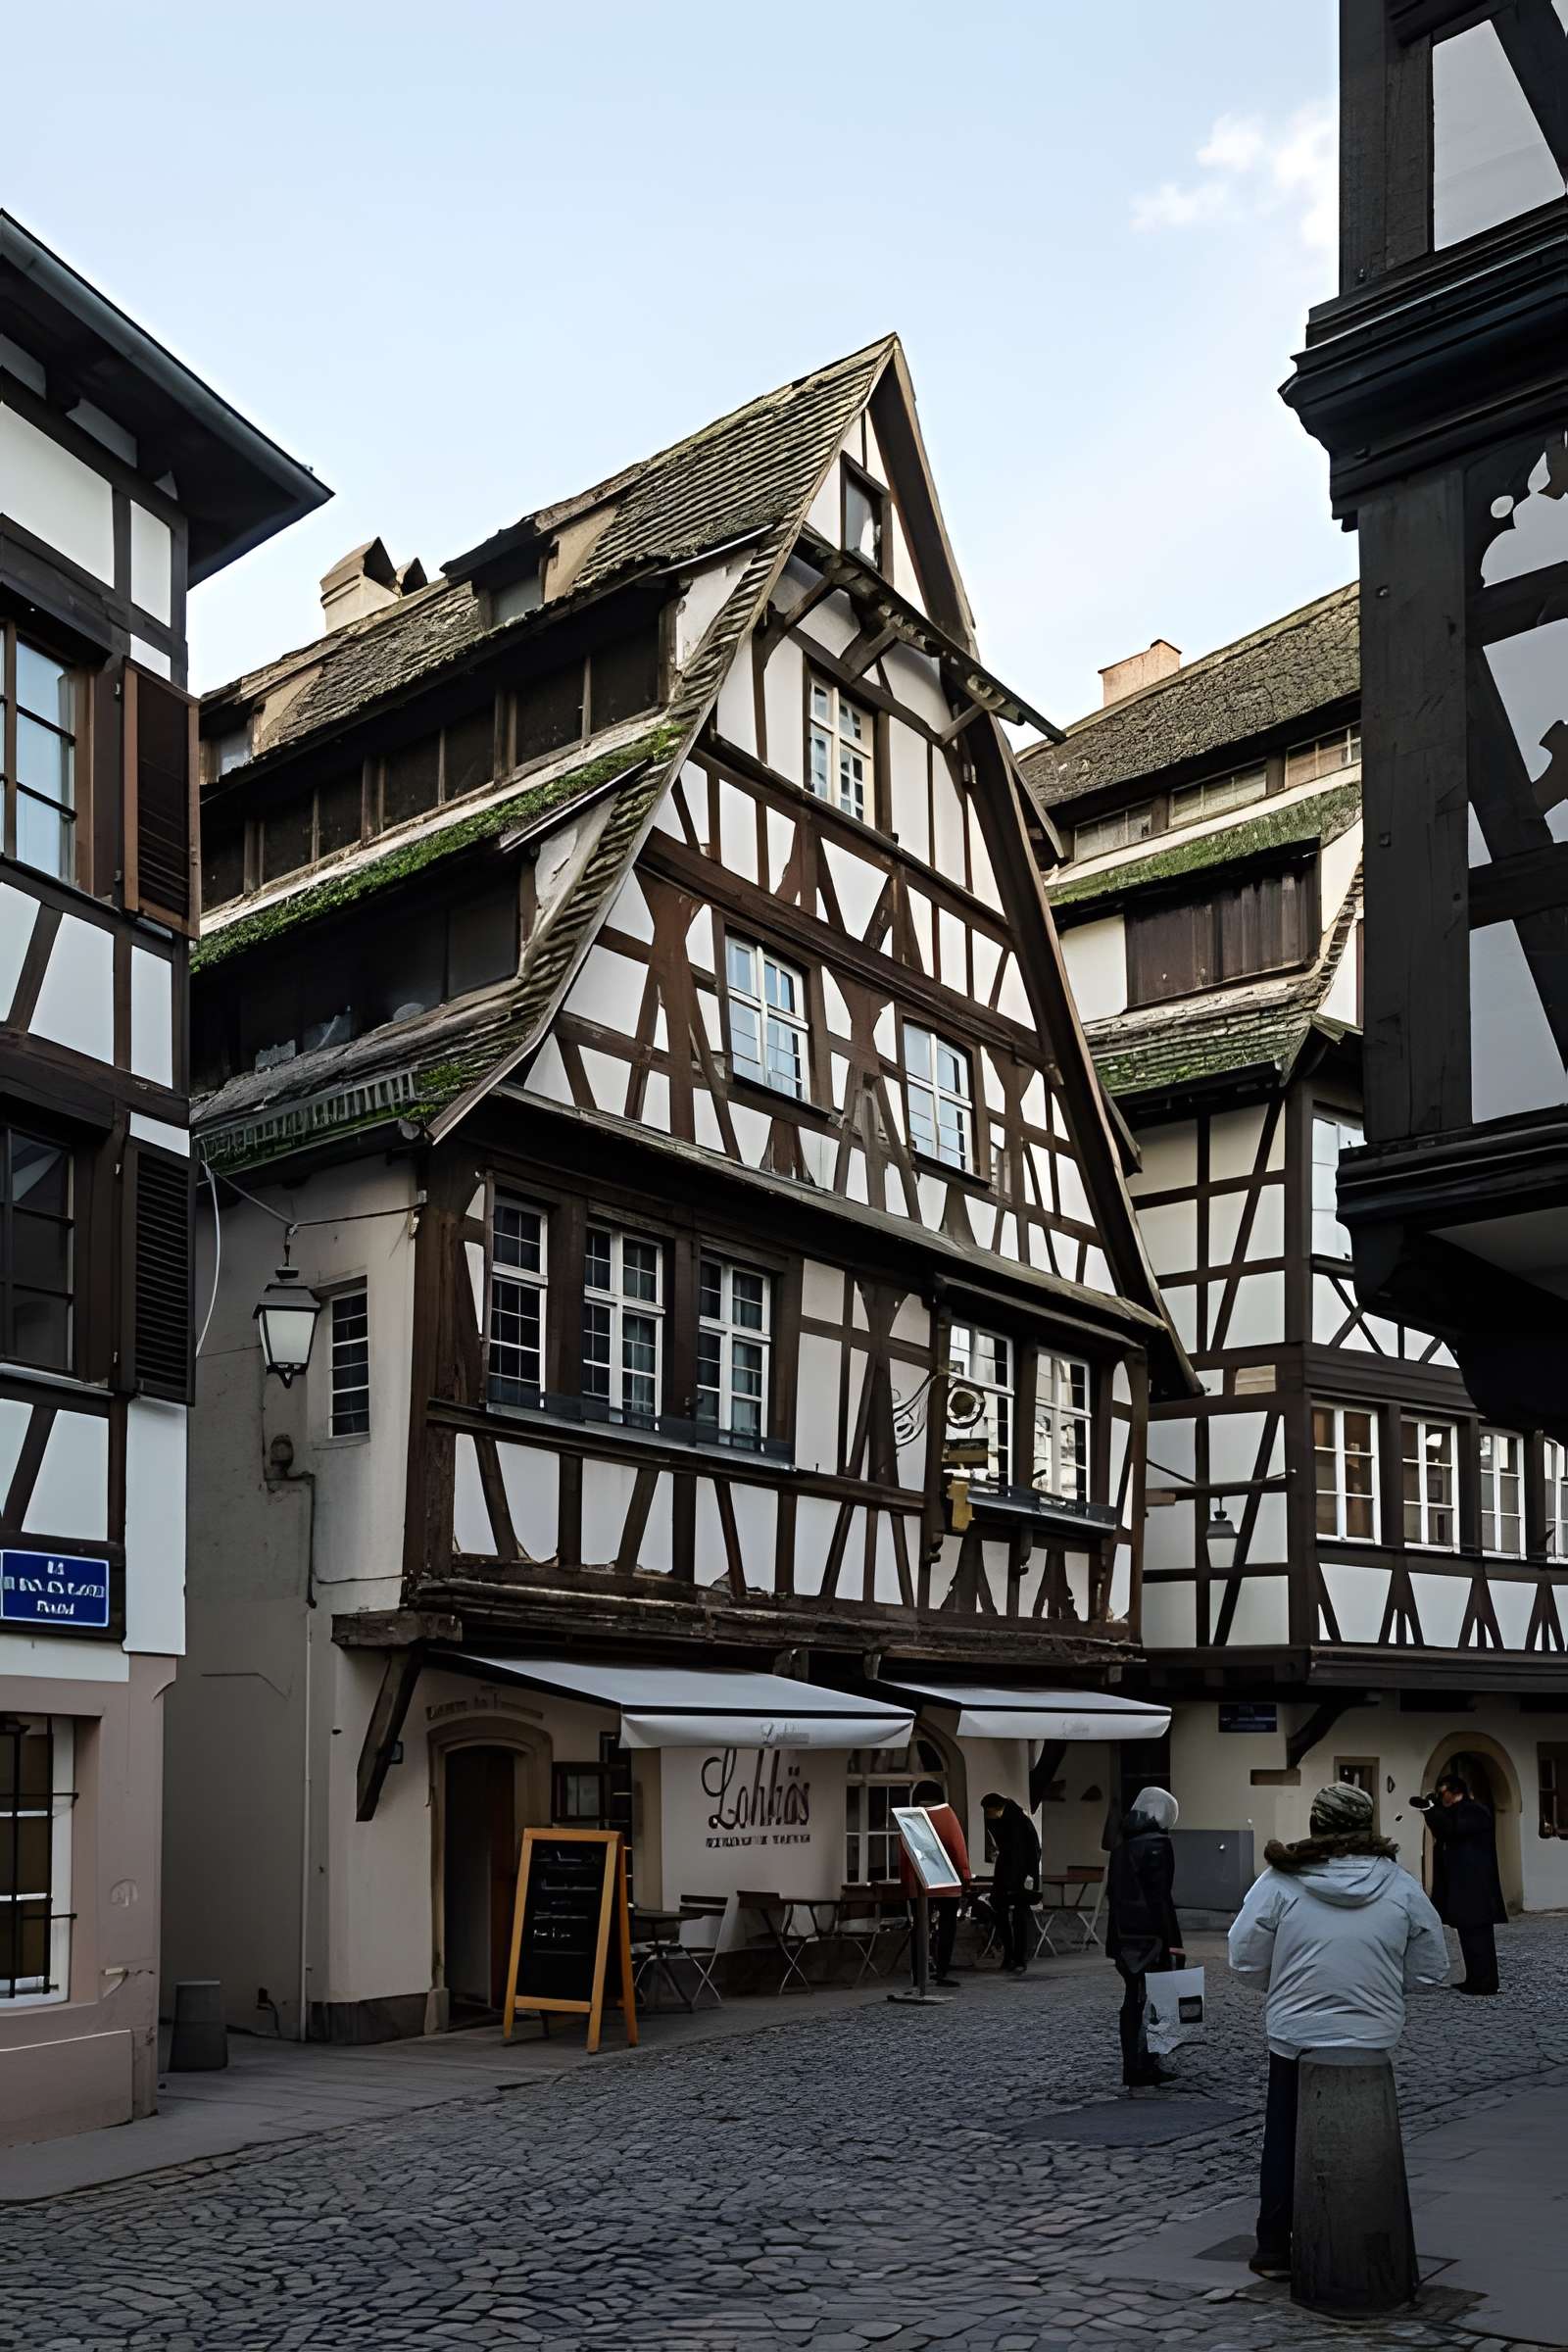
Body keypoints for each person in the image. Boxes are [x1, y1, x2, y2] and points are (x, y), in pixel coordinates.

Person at [1228, 1781, 1448, 2281]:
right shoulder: (1399, 1884)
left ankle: (1272, 2248)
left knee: (1283, 2135)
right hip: (1371, 2036)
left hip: (1295, 2034)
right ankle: (1371, 2243)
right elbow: (1431, 1966)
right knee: (1373, 2142)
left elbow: (1243, 1957)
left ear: (1315, 1825)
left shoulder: (1280, 1881)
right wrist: (1384, 1989)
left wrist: (1280, 1987)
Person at [1105, 1786, 1183, 2089]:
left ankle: (1132, 2065)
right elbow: (1160, 1897)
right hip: (1152, 1936)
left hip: (1124, 1935)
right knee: (1160, 2001)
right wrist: (1173, 1940)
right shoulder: (1158, 1844)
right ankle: (1147, 2064)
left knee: (1132, 2000)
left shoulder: (1122, 1844)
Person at [1411, 1771, 1506, 1995]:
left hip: (1475, 1885)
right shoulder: (1457, 1812)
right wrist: (1431, 1810)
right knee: (1468, 1934)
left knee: (1479, 1937)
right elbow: (1444, 1829)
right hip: (1464, 1884)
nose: (1441, 1797)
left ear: (1455, 1792)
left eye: (1443, 1792)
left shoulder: (1474, 1811)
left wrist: (1431, 1810)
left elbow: (1452, 1829)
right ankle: (1475, 1979)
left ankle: (1485, 1983)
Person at [898, 1779, 971, 1987]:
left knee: (919, 1927)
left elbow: (903, 1854)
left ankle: (918, 1971)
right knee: (947, 1926)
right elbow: (958, 1848)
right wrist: (965, 1877)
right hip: (947, 1882)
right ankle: (942, 1970)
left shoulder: (910, 1817)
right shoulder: (946, 1815)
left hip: (917, 1883)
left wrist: (906, 1885)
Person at [982, 1792, 1042, 1975]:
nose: (988, 1816)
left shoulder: (1020, 1821)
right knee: (1000, 1910)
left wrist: (1029, 1875)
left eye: (990, 1812)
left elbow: (1032, 1849)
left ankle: (1019, 1957)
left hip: (1021, 1874)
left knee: (1019, 1916)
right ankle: (1010, 1954)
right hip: (1006, 1871)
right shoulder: (1000, 1821)